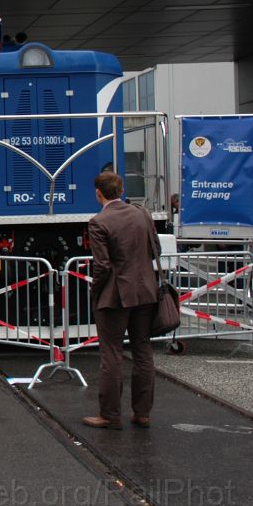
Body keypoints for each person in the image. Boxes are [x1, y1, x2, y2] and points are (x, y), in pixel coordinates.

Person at [83, 172, 159, 429]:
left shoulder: (99, 222)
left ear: (98, 193)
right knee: (142, 349)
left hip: (115, 295)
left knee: (112, 353)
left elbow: (102, 266)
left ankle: (109, 414)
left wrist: (96, 291)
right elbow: (155, 248)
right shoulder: (143, 214)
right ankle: (142, 412)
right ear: (122, 189)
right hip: (146, 291)